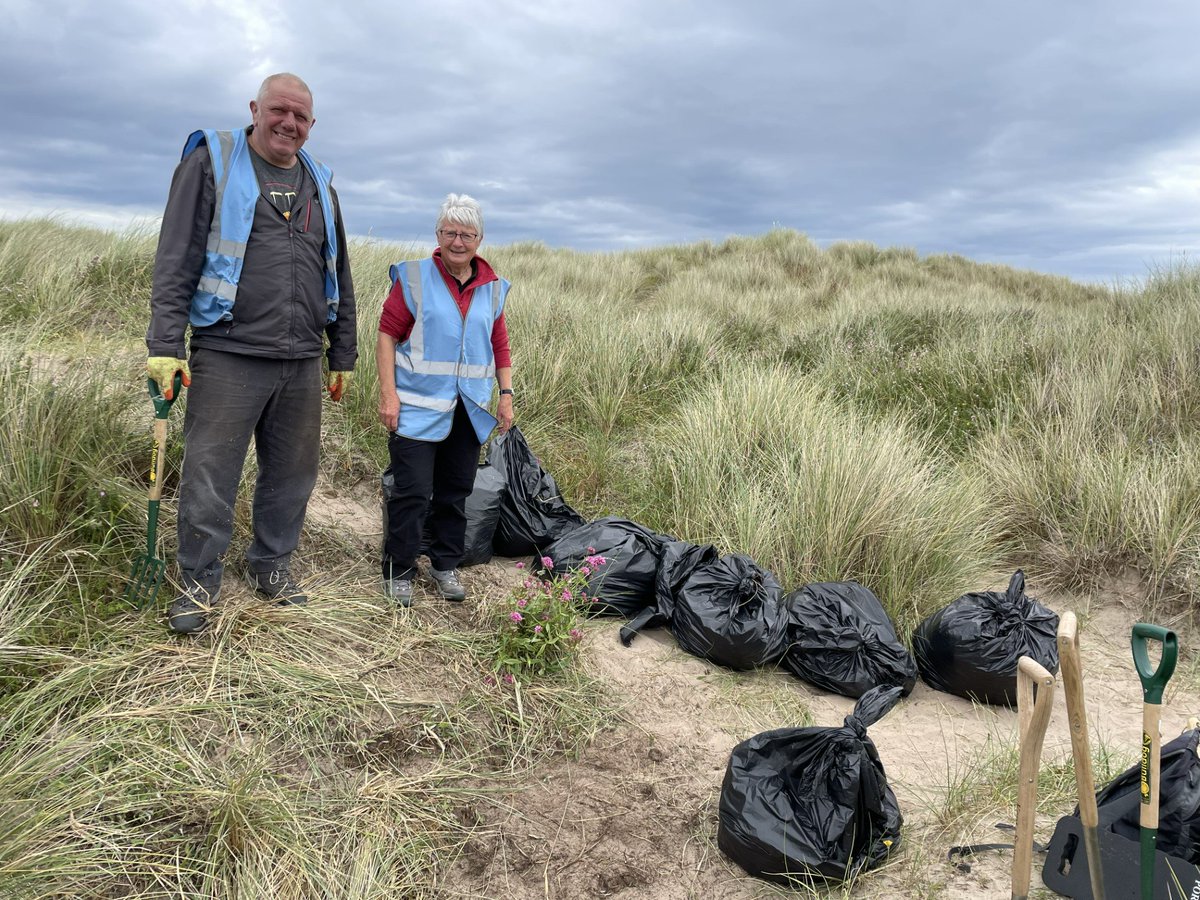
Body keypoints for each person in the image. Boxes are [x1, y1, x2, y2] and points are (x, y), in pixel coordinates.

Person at [145, 72, 357, 634]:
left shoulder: (319, 182)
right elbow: (176, 257)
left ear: (312, 125)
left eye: (301, 117)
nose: (289, 123)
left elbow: (338, 269)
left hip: (300, 358)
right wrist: (166, 345)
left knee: (292, 474)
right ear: (255, 109)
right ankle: (198, 577)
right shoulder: (213, 161)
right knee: (211, 473)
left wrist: (342, 353)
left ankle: (272, 565)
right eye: (279, 111)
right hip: (229, 350)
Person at [377, 194, 514, 606]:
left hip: (468, 409)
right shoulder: (415, 277)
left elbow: (499, 344)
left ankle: (444, 565)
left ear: (480, 239)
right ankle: (399, 569)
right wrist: (388, 395)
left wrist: (505, 395)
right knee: (412, 491)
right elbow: (387, 334)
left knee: (456, 492)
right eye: (450, 232)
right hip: (417, 407)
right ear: (438, 235)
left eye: (467, 234)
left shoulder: (492, 288)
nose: (458, 241)